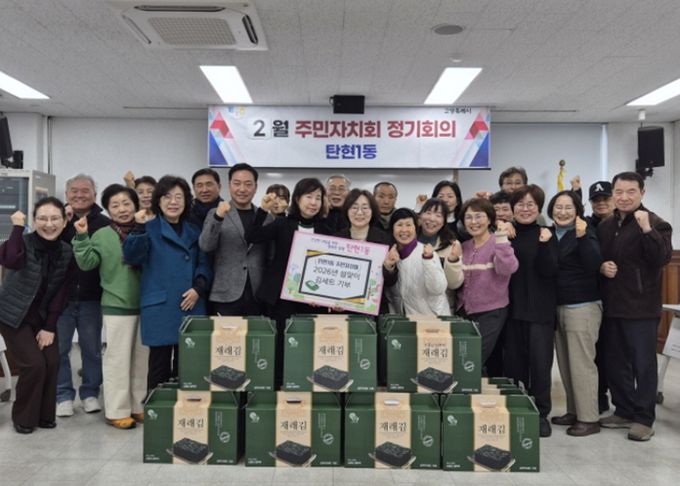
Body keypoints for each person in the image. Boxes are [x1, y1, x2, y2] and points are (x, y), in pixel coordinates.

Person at [597, 171, 673, 441]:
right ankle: (624, 410)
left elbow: (661, 258)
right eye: (619, 192)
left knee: (643, 364)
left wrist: (647, 230)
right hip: (612, 305)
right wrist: (601, 267)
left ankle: (643, 418)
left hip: (641, 307)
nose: (624, 197)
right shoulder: (606, 225)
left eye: (631, 191)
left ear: (642, 193)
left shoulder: (657, 223)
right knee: (615, 362)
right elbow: (598, 256)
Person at [123, 175, 213, 391]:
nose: (173, 202)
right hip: (160, 306)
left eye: (179, 197)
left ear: (186, 201)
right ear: (158, 201)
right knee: (158, 366)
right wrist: (138, 228)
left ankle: (186, 407)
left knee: (188, 366)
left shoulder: (195, 231)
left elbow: (205, 264)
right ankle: (157, 408)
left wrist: (198, 288)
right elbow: (132, 257)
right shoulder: (148, 228)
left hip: (191, 303)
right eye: (167, 197)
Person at [72, 184, 147, 429]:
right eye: (115, 205)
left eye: (126, 203)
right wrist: (81, 237)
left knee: (142, 360)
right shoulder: (102, 234)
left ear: (135, 205)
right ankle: (116, 410)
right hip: (117, 305)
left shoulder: (148, 229)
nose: (122, 209)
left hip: (147, 305)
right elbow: (87, 263)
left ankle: (138, 406)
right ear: (108, 209)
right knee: (117, 360)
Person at [244, 178, 332, 385]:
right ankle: (279, 385)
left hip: (312, 298)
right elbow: (252, 235)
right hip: (282, 296)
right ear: (297, 199)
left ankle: (306, 383)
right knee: (281, 343)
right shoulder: (282, 224)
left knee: (308, 344)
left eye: (318, 198)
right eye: (308, 197)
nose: (313, 202)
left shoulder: (326, 229)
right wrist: (262, 211)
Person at [0, 198, 74, 434]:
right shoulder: (21, 242)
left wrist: (49, 327)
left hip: (42, 319)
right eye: (42, 218)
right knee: (33, 364)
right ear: (34, 221)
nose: (49, 224)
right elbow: (10, 260)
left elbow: (62, 292)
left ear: (64, 222)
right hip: (13, 316)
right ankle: (23, 418)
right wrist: (17, 228)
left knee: (52, 361)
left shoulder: (66, 251)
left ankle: (44, 415)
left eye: (55, 218)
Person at [546, 190, 603, 437]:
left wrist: (582, 237)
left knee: (582, 364)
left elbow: (593, 264)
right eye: (558, 207)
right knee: (566, 363)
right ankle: (573, 410)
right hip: (558, 305)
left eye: (568, 207)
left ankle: (589, 418)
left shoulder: (585, 231)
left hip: (582, 305)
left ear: (578, 210)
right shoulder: (549, 233)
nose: (563, 212)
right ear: (551, 210)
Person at [506, 184, 559, 438]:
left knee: (540, 365)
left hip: (540, 312)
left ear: (538, 208)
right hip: (512, 310)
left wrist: (545, 244)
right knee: (514, 364)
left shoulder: (547, 234)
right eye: (520, 204)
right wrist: (503, 232)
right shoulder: (506, 234)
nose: (525, 209)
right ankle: (517, 409)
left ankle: (540, 414)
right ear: (512, 208)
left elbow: (550, 270)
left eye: (531, 205)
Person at [57, 174, 110, 418]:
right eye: (74, 191)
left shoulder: (104, 223)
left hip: (92, 297)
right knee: (60, 349)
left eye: (85, 190)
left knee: (92, 349)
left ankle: (90, 393)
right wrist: (64, 222)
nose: (79, 195)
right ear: (67, 194)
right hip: (61, 298)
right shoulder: (57, 220)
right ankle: (63, 396)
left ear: (94, 195)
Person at [199, 163, 271, 316]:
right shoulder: (215, 213)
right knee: (225, 333)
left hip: (257, 294)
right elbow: (205, 246)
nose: (242, 189)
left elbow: (271, 257)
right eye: (237, 183)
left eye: (248, 184)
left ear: (256, 187)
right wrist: (218, 217)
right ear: (229, 185)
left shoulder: (266, 217)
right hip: (225, 294)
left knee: (257, 333)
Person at [457, 198, 518, 367]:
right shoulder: (464, 246)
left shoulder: (498, 242)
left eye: (479, 216)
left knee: (473, 360)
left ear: (490, 219)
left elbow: (508, 268)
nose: (473, 222)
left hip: (491, 311)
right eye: (468, 217)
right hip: (465, 311)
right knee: (462, 358)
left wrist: (502, 239)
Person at [335, 189, 398, 314]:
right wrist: (332, 299)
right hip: (343, 309)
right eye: (354, 207)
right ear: (347, 211)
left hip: (374, 310)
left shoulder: (384, 239)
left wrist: (389, 267)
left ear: (372, 211)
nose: (359, 212)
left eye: (365, 208)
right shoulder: (336, 240)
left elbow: (390, 282)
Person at [584, 180, 615, 413]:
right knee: (596, 351)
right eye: (596, 200)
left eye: (605, 198)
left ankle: (624, 401)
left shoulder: (624, 223)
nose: (601, 203)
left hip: (619, 297)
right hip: (592, 296)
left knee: (616, 352)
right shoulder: (585, 225)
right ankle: (598, 396)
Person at [388, 208, 450, 315]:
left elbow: (438, 289)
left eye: (408, 225)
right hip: (407, 321)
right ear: (392, 229)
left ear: (416, 228)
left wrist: (428, 260)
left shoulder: (426, 253)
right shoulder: (390, 255)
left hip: (434, 318)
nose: (404, 230)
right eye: (399, 225)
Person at [417, 198, 464, 313]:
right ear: (420, 216)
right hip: (412, 307)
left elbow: (454, 284)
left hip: (441, 310)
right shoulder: (408, 240)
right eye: (428, 213)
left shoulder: (452, 245)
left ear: (444, 221)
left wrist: (453, 260)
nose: (432, 219)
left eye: (438, 215)